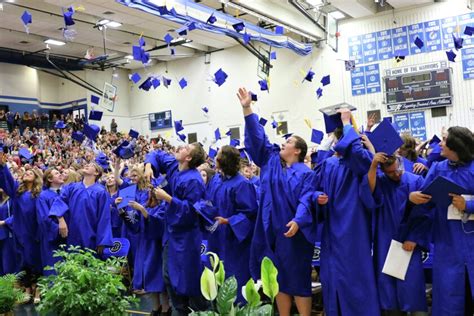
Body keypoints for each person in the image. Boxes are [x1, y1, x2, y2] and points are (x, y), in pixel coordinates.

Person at [237, 87, 327, 316]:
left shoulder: (306, 174)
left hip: (294, 234)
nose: (283, 144)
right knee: (276, 278)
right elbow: (258, 140)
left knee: (297, 279)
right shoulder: (270, 161)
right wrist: (247, 108)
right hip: (269, 232)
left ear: (297, 150)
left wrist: (299, 220)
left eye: (287, 142)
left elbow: (307, 199)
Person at [312, 108, 380, 316]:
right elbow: (313, 191)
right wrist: (317, 198)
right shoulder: (328, 165)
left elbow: (359, 156)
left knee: (356, 279)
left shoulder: (362, 163)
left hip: (354, 230)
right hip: (332, 232)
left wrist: (347, 122)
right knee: (333, 280)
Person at [409, 126, 474, 315]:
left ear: (456, 147)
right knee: (449, 300)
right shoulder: (438, 169)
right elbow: (425, 204)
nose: (440, 144)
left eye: (444, 140)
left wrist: (468, 205)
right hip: (447, 244)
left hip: (471, 242)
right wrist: (413, 197)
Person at [145, 142, 208, 316]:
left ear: (188, 158)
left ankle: (196, 311)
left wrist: (168, 198)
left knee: (187, 277)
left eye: (185, 148)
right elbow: (156, 154)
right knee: (168, 276)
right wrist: (148, 166)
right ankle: (180, 310)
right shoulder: (174, 166)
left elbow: (192, 211)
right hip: (171, 232)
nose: (180, 147)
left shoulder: (194, 180)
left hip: (186, 235)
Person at [365, 153, 428, 315]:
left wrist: (414, 238)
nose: (397, 173)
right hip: (385, 241)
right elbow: (368, 193)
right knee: (388, 290)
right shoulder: (381, 183)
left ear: (401, 162)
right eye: (391, 172)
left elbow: (427, 214)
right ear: (383, 171)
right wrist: (373, 165)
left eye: (398, 168)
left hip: (409, 242)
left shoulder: (416, 181)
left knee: (412, 288)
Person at [206, 145, 258, 304]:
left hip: (234, 240)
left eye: (218, 155)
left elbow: (249, 212)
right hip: (217, 236)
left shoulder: (242, 183)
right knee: (217, 273)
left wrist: (228, 221)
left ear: (223, 160)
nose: (215, 157)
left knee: (235, 275)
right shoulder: (217, 180)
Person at [117, 172, 170, 315]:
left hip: (157, 247)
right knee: (148, 277)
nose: (149, 191)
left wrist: (142, 210)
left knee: (159, 278)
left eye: (152, 189)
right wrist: (122, 210)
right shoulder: (146, 204)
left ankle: (166, 308)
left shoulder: (164, 206)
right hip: (144, 245)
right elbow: (135, 225)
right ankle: (155, 307)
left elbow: (158, 224)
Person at [0, 154, 43, 303]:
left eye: (30, 172)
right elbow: (7, 182)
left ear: (36, 177)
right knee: (23, 261)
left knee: (36, 260)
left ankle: (37, 290)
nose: (26, 173)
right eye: (25, 172)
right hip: (20, 232)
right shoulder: (17, 193)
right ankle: (26, 290)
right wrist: (3, 166)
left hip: (35, 231)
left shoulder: (39, 194)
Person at [49, 161, 113, 254]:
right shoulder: (72, 187)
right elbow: (59, 201)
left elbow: (104, 217)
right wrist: (60, 219)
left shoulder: (101, 192)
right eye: (86, 164)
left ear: (96, 173)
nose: (86, 165)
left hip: (91, 234)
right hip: (72, 233)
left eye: (91, 165)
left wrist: (102, 241)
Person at [36, 168, 68, 277]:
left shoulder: (66, 192)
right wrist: (59, 230)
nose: (60, 174)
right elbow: (44, 218)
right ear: (49, 179)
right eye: (57, 173)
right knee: (54, 271)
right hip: (52, 239)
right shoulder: (43, 196)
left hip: (71, 237)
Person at [0, 188, 17, 275]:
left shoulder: (12, 199)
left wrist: (4, 222)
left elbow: (18, 215)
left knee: (8, 259)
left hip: (8, 233)